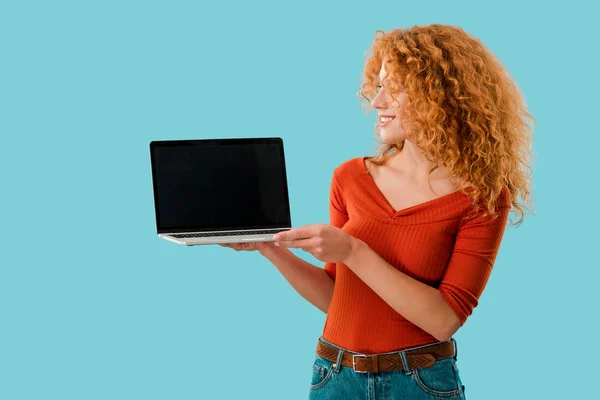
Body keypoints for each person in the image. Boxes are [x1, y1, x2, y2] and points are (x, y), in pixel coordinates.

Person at [221, 23, 534, 400]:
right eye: (379, 85)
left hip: (419, 382)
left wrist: (353, 251)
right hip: (334, 377)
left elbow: (443, 319)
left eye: (395, 88)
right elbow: (338, 299)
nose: (377, 101)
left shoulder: (483, 196)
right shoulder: (350, 177)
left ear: (441, 96)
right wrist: (269, 248)